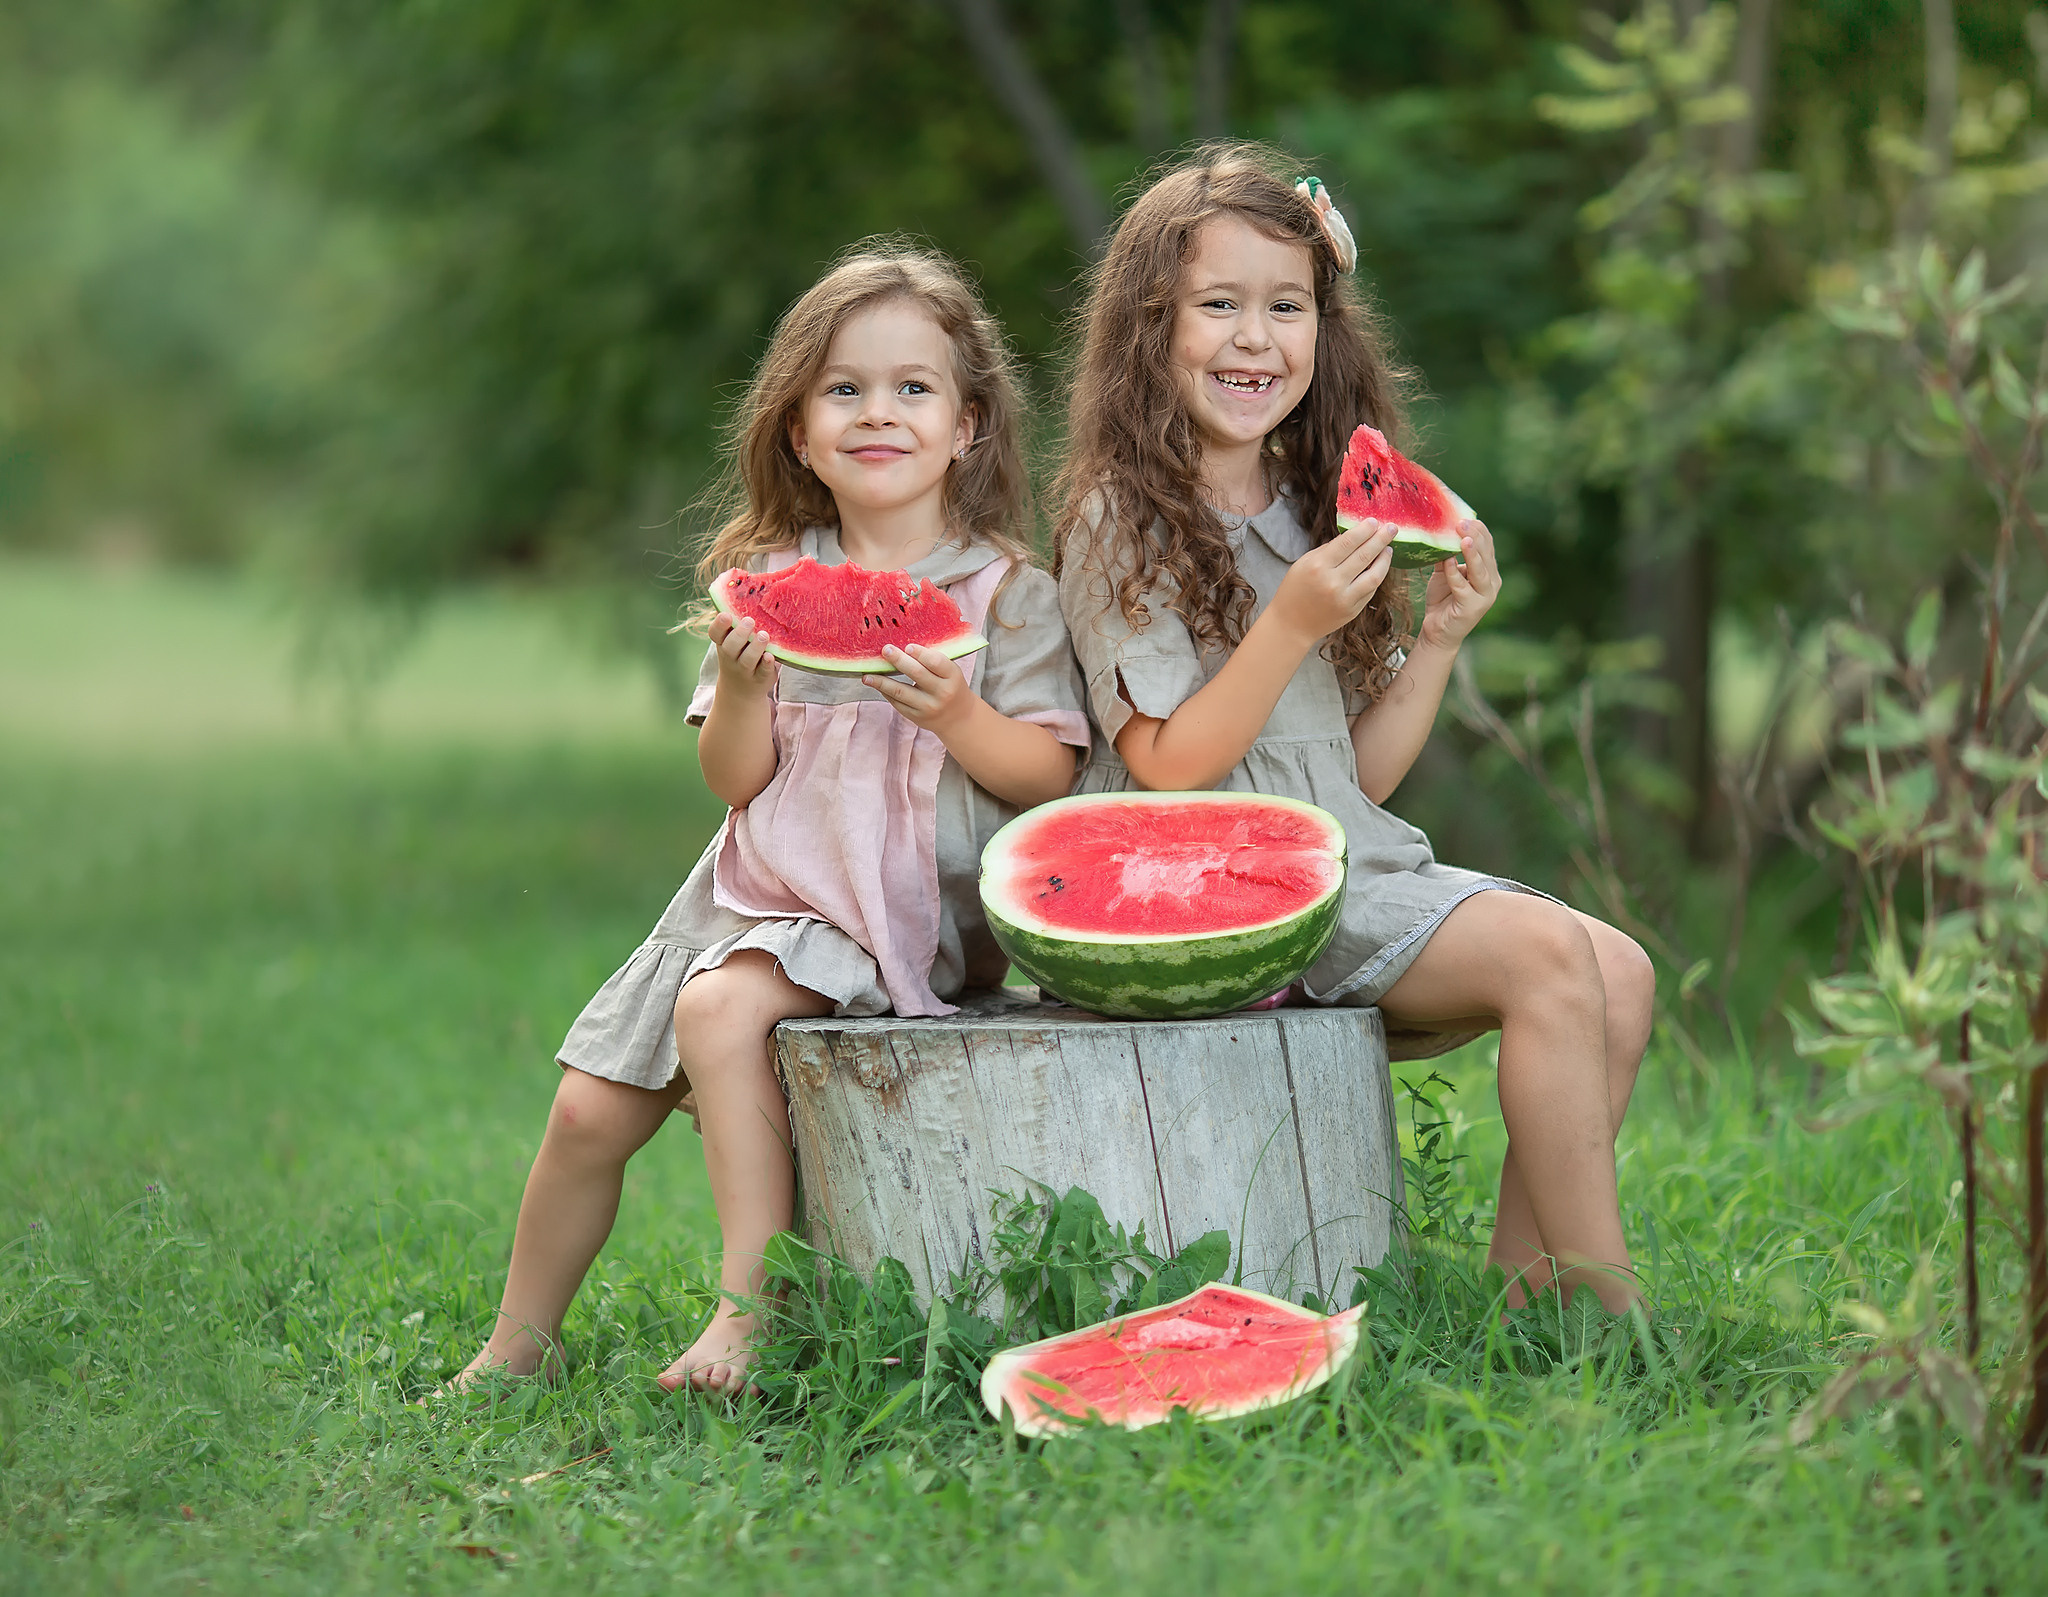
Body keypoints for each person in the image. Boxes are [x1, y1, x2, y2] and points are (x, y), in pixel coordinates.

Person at [454, 243, 1088, 1394]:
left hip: (891, 911)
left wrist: (955, 712)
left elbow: (1047, 776)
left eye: (912, 389)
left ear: (969, 426)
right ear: (798, 431)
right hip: (746, 892)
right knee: (586, 1111)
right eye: (842, 389)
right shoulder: (766, 573)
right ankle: (514, 1350)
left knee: (722, 1003)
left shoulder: (1010, 593)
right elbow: (733, 782)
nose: (875, 412)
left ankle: (753, 1303)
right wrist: (744, 684)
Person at [1053, 147, 1652, 1313]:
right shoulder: (1115, 516)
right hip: (1208, 879)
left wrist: (1433, 641)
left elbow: (1351, 775)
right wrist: (1285, 623)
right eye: (1216, 306)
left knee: (1618, 967)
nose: (1254, 339)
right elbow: (1167, 766)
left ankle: (1528, 1302)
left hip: (1336, 854)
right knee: (1545, 955)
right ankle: (1617, 1313)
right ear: (1147, 326)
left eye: (1286, 307)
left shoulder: (1307, 500)